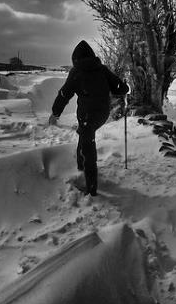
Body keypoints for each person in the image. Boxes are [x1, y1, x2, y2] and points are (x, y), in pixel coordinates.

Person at [49, 40, 129, 196]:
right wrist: (124, 85)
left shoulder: (76, 72)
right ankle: (80, 168)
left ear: (75, 59)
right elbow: (120, 89)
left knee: (88, 146)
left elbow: (64, 94)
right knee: (84, 136)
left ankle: (91, 188)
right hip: (102, 113)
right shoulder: (102, 69)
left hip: (87, 115)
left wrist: (55, 113)